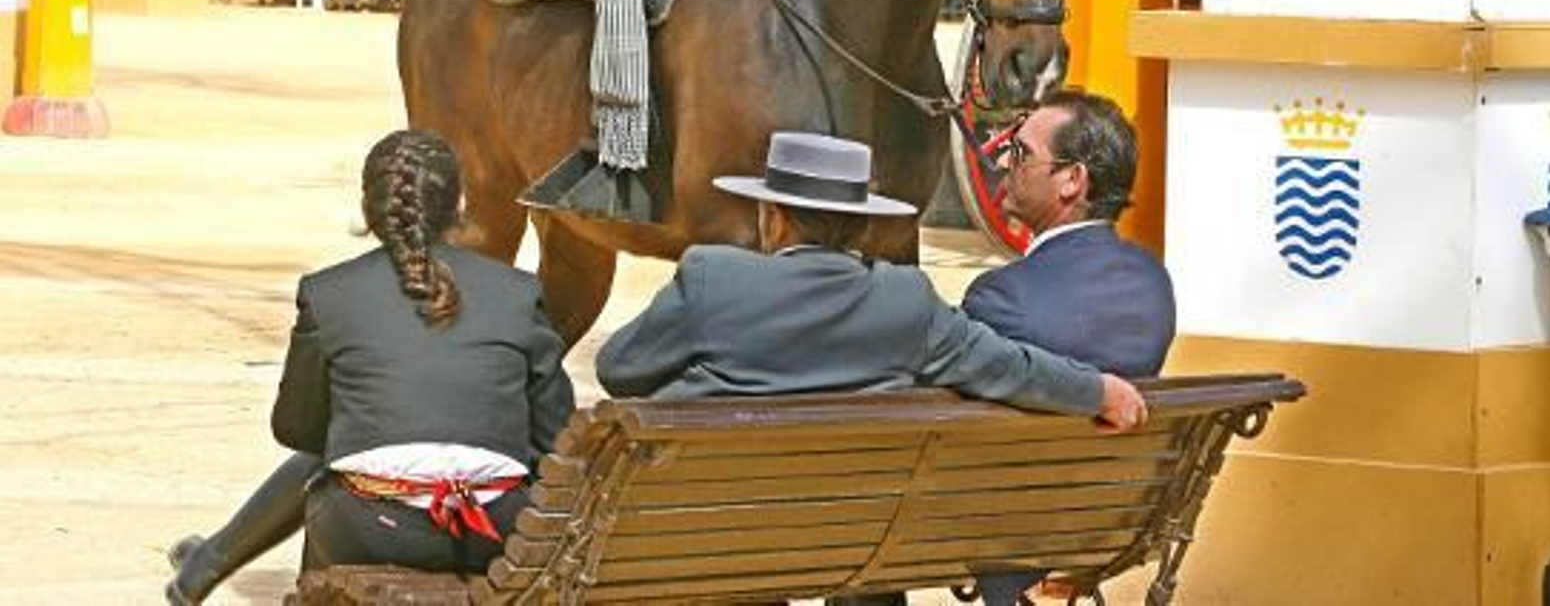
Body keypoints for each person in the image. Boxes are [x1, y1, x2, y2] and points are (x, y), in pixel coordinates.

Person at [165, 130, 575, 603]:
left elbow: (298, 430)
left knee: (337, 467)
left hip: (370, 527)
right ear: (460, 204)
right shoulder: (517, 293)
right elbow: (553, 437)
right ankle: (207, 561)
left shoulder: (329, 292)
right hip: (491, 529)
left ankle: (211, 563)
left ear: (368, 209)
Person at [597, 130, 1148, 420]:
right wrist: (1097, 390)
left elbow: (619, 369)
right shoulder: (906, 301)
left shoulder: (712, 278)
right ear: (861, 228)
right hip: (842, 538)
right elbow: (1012, 370)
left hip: (704, 529)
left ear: (773, 217)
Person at [961, 88, 1177, 606]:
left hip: (1008, 531)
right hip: (1106, 523)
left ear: (1072, 180)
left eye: (1021, 153)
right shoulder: (1152, 283)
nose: (1006, 164)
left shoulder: (1003, 298)